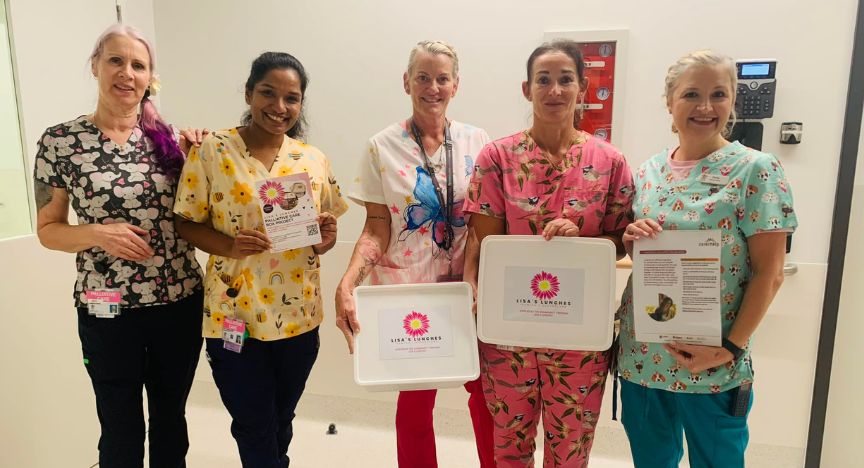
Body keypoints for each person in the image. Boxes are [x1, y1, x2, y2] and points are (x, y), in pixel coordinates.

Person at [615, 50, 797, 468]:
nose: (705, 106)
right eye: (691, 94)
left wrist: (730, 348)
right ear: (669, 102)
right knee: (651, 461)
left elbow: (769, 274)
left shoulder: (755, 169)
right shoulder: (647, 172)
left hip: (715, 362)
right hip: (645, 358)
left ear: (733, 100)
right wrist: (631, 237)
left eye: (719, 93)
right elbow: (640, 254)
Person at [33, 24, 203, 468]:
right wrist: (96, 232)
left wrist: (200, 160)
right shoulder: (60, 143)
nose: (126, 73)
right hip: (106, 309)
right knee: (119, 423)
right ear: (95, 66)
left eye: (138, 65)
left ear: (150, 78)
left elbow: (200, 215)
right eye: (115, 60)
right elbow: (49, 229)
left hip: (178, 301)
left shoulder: (171, 142)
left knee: (171, 419)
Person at [463, 39, 635, 467]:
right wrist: (471, 295)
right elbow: (481, 243)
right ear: (527, 89)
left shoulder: (610, 161)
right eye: (544, 80)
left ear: (582, 87)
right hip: (508, 336)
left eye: (565, 80)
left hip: (580, 338)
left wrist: (583, 242)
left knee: (570, 454)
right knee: (509, 451)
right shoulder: (497, 158)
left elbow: (620, 240)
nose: (554, 90)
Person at [173, 51, 348, 468]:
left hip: (298, 317)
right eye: (268, 93)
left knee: (280, 419)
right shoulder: (212, 150)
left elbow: (321, 232)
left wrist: (327, 237)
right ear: (249, 93)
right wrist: (230, 246)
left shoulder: (312, 158)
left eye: (292, 98)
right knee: (252, 422)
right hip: (234, 317)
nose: (279, 107)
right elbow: (184, 223)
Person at [334, 40, 494, 468]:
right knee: (416, 402)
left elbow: (483, 223)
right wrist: (348, 281)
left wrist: (474, 276)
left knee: (486, 397)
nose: (432, 87)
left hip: (468, 292)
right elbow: (377, 225)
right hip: (408, 296)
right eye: (423, 77)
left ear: (456, 85)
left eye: (442, 78)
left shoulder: (478, 142)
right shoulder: (380, 147)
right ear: (407, 81)